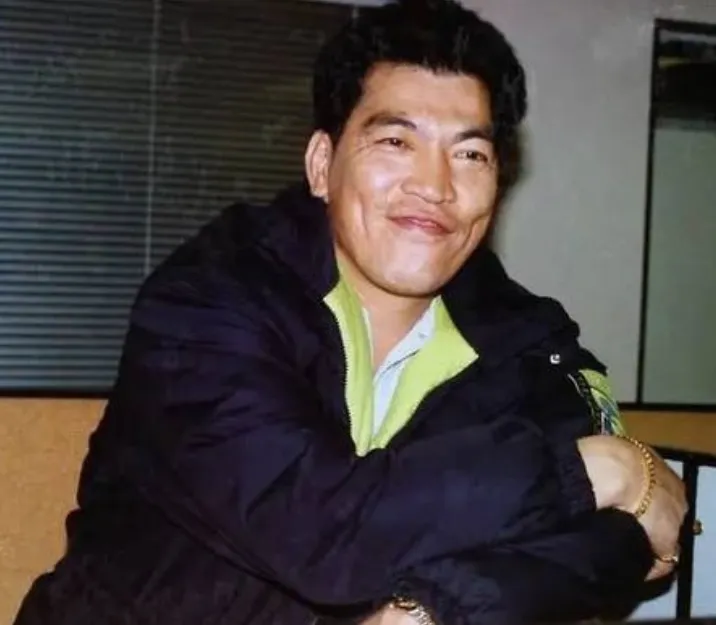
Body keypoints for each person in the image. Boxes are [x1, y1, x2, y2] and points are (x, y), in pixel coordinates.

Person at [15, 1, 687, 624]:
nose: (435, 185)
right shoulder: (210, 301)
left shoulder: (530, 342)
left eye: (469, 153)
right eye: (396, 142)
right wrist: (600, 471)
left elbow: (617, 545)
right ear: (321, 164)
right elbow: (317, 529)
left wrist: (430, 610)